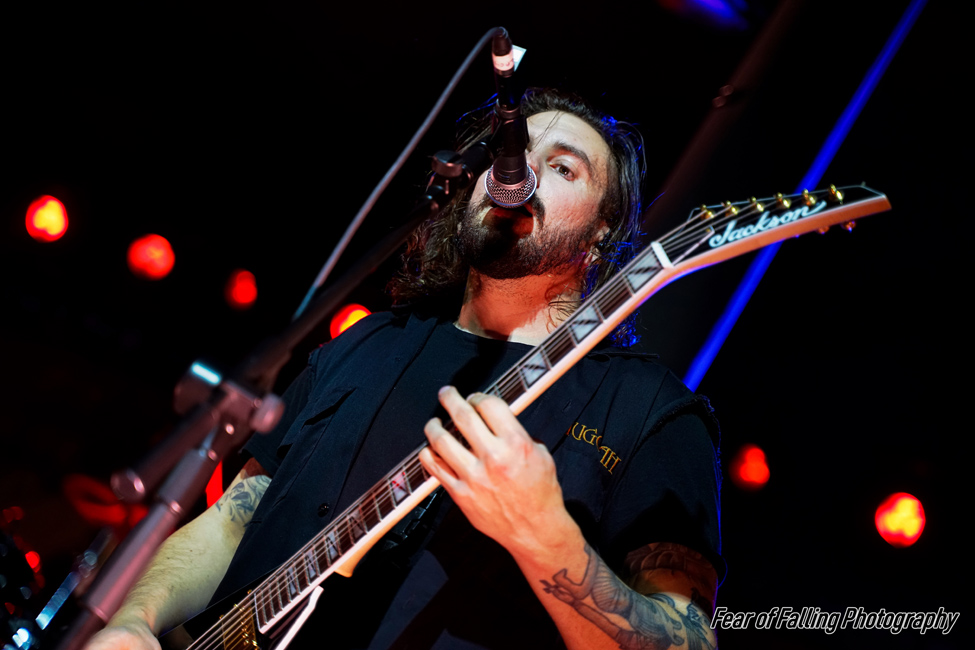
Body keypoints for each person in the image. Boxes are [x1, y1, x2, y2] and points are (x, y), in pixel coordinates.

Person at [85, 88, 723, 650]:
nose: (520, 172)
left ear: (602, 232)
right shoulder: (366, 343)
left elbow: (688, 640)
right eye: (511, 152)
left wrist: (549, 538)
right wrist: (136, 618)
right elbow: (235, 519)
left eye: (561, 168)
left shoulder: (649, 408)